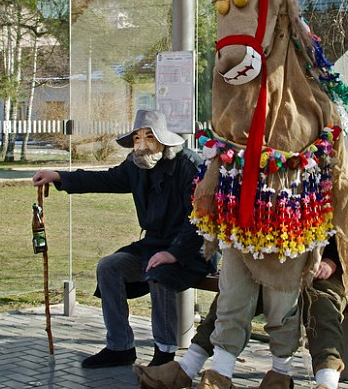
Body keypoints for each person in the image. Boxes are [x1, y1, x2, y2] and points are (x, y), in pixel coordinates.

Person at [32, 109, 215, 369]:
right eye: (137, 138)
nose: (142, 145)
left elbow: (200, 218)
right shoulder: (135, 164)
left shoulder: (189, 166)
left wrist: (173, 253)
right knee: (109, 267)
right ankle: (120, 347)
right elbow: (105, 179)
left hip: (191, 251)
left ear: (163, 139)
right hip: (153, 245)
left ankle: (164, 354)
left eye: (149, 137)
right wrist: (60, 176)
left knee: (159, 274)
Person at [135, 236, 348, 389]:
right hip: (273, 254)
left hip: (325, 269)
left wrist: (332, 260)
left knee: (321, 305)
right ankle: (189, 370)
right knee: (231, 301)